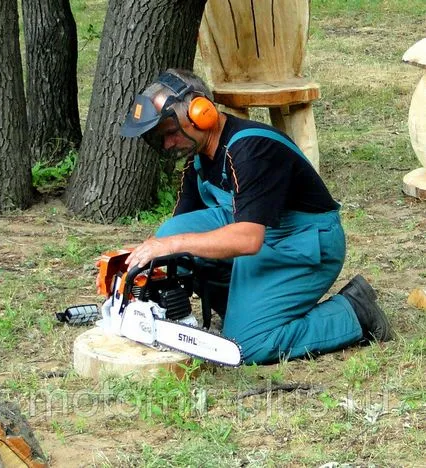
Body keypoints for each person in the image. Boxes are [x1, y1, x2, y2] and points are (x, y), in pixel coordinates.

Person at [119, 68, 393, 364]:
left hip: (303, 243)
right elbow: (176, 237)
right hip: (255, 232)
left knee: (246, 345)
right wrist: (136, 270)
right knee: (171, 237)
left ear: (202, 112)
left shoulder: (251, 148)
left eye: (170, 132)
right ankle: (240, 307)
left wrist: (170, 246)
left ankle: (352, 313)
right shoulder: (199, 159)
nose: (169, 143)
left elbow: (249, 239)